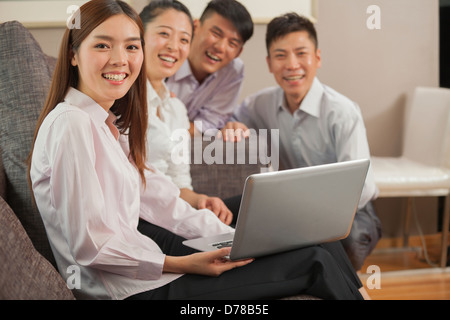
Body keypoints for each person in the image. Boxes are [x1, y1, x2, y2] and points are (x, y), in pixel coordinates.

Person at [28, 0, 366, 300]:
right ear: (73, 53)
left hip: (150, 274)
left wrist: (237, 238)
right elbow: (91, 247)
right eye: (103, 45)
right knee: (315, 260)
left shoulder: (107, 126)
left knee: (318, 238)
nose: (120, 59)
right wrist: (181, 263)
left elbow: (161, 199)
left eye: (131, 47)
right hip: (125, 290)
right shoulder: (71, 125)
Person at [223, 13, 382, 271]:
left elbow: (362, 188)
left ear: (317, 58)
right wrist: (233, 126)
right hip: (290, 206)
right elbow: (231, 120)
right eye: (281, 55)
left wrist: (314, 216)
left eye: (301, 53)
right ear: (269, 63)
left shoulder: (342, 112)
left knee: (346, 242)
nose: (292, 64)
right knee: (243, 224)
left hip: (350, 210)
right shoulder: (260, 104)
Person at [139, 0, 233, 225]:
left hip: (177, 213)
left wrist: (201, 200)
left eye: (183, 39)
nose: (174, 46)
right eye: (164, 33)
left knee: (276, 219)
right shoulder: (120, 103)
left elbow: (180, 185)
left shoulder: (176, 109)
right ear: (139, 35)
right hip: (147, 220)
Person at [166, 0, 253, 134]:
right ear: (195, 27)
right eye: (216, 34)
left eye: (233, 43)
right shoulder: (168, 54)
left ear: (238, 52)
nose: (220, 47)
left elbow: (211, 123)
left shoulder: (233, 70)